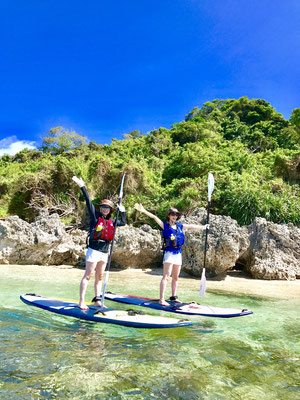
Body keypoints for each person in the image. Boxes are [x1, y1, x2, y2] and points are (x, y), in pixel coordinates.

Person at [135, 204, 208, 306]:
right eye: (172, 214)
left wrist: (203, 227)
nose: (174, 216)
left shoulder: (179, 226)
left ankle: (173, 297)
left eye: (176, 214)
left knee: (176, 277)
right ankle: (161, 299)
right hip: (169, 253)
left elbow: (191, 226)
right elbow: (154, 217)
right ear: (169, 215)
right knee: (166, 276)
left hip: (178, 254)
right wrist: (143, 210)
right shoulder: (165, 226)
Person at [72, 176, 126, 309]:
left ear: (110, 210)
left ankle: (97, 300)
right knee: (88, 275)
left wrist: (123, 210)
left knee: (99, 276)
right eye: (103, 207)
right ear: (100, 208)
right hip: (94, 250)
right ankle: (81, 301)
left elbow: (123, 222)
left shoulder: (112, 221)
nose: (105, 209)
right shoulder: (95, 216)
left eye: (108, 208)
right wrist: (82, 186)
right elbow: (88, 202)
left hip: (104, 251)